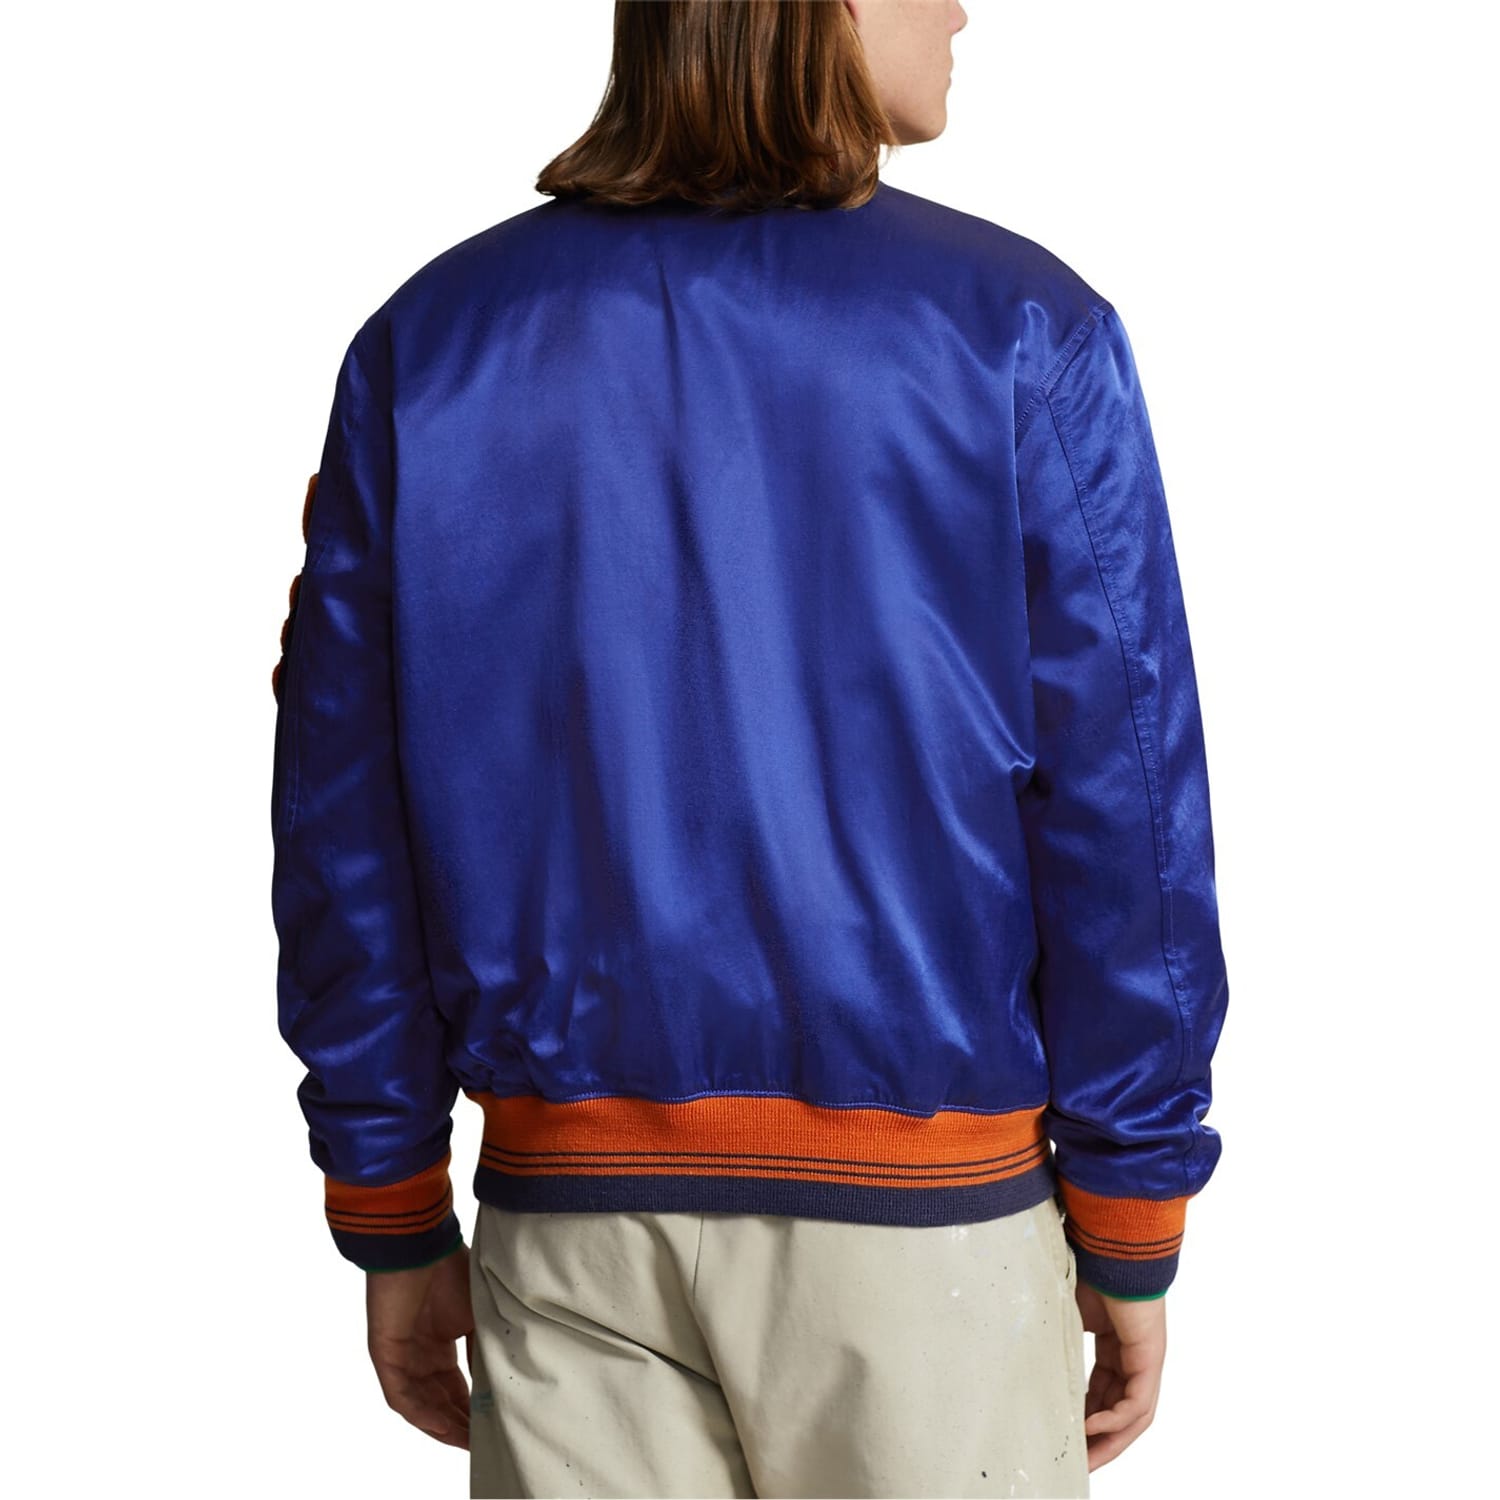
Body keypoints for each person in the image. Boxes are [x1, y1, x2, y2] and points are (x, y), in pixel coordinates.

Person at [268, 2, 1230, 1496]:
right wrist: (1131, 1204)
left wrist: (389, 1194)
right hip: (926, 1230)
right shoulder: (1023, 333)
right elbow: (1126, 807)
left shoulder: (432, 345)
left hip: (571, 1221)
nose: (962, 7)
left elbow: (345, 818)